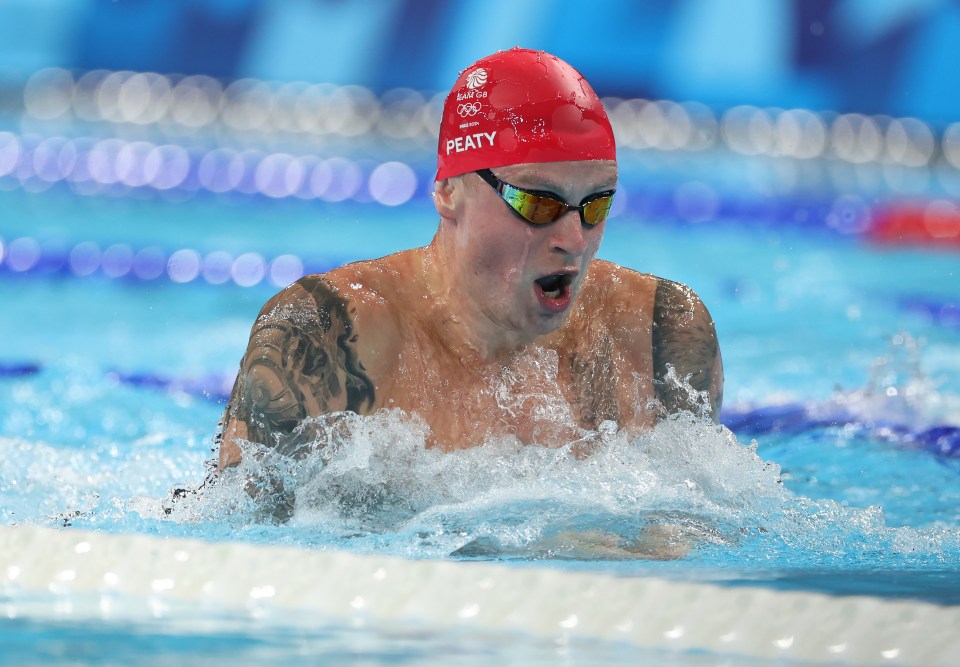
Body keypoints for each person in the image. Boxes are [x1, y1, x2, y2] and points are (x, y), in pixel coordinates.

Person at [215, 48, 723, 497]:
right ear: (448, 191)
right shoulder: (327, 336)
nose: (574, 239)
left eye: (596, 203)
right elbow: (234, 548)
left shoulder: (658, 332)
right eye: (538, 202)